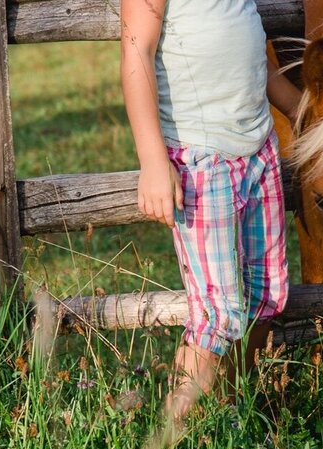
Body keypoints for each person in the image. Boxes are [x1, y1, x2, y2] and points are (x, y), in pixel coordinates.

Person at [121, 0, 300, 421]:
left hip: (259, 151)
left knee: (268, 293)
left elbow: (254, 53)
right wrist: (152, 160)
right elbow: (135, 52)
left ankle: (234, 406)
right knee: (217, 316)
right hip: (202, 159)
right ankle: (174, 436)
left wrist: (300, 110)